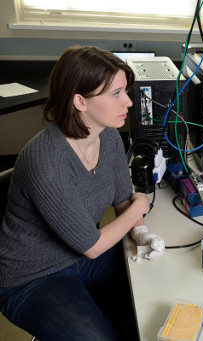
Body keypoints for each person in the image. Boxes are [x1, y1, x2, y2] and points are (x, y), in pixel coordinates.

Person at [0, 46, 164, 340]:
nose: (128, 101)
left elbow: (124, 201)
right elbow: (93, 245)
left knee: (156, 294)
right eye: (115, 93)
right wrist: (140, 208)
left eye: (125, 91)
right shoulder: (45, 159)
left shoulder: (110, 137)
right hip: (32, 277)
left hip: (83, 258)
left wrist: (141, 233)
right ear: (80, 101)